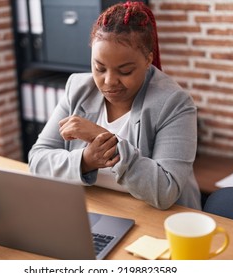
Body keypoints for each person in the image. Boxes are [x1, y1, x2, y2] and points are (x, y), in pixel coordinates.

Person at [28, 1, 201, 210]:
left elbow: (165, 190)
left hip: (156, 219)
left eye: (125, 71)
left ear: (148, 60)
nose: (109, 81)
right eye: (99, 68)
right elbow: (37, 160)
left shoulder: (174, 103)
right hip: (95, 208)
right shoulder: (78, 89)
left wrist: (102, 138)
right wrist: (85, 160)